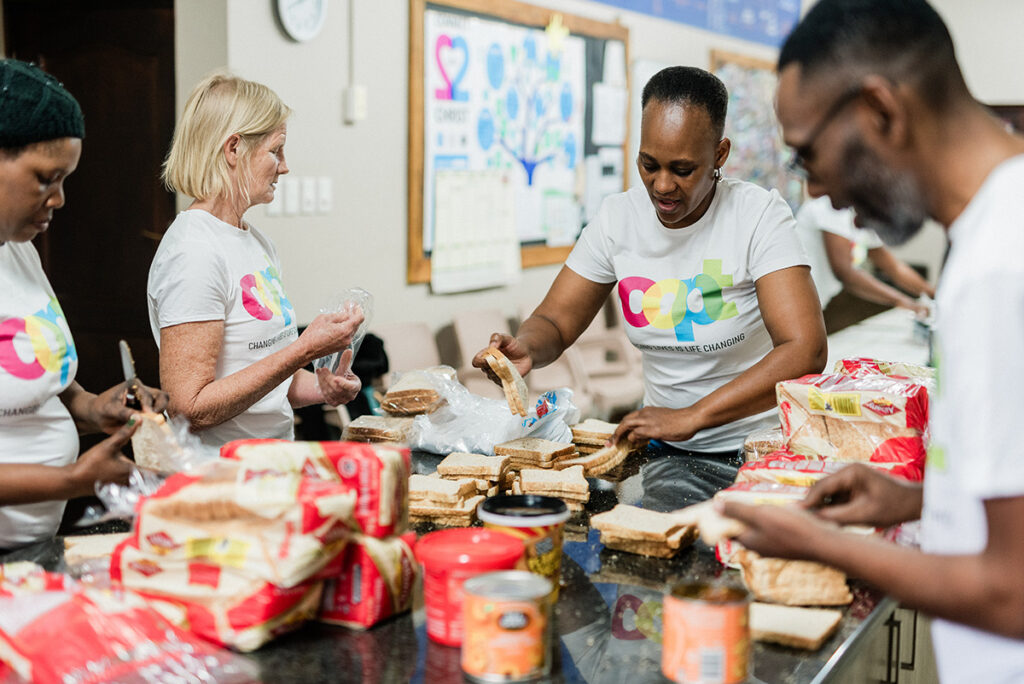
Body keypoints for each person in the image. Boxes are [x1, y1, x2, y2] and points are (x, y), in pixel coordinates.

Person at [719, 1, 1024, 680]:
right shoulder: (996, 229)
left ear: (881, 110)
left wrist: (820, 543)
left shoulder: (1000, 267)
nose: (817, 189)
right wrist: (917, 498)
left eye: (809, 155)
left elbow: (1012, 593)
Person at [473, 66, 826, 465]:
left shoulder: (758, 216)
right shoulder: (617, 219)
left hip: (757, 446)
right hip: (663, 444)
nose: (662, 185)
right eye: (649, 164)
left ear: (720, 154)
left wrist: (693, 416)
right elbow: (555, 321)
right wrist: (527, 347)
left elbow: (806, 349)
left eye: (682, 170)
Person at [0, 59, 168, 548]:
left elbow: (30, 385)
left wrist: (93, 407)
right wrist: (73, 480)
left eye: (65, 180)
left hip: (32, 544)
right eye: (45, 178)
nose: (59, 199)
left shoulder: (18, 251)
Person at [148, 73, 362, 455]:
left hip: (271, 461)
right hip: (219, 472)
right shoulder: (193, 252)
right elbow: (189, 408)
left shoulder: (258, 243)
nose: (285, 166)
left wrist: (322, 388)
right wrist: (304, 349)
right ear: (234, 149)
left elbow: (269, 378)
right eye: (276, 150)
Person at [794, 194, 935, 323]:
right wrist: (902, 301)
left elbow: (894, 268)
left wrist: (934, 293)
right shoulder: (832, 206)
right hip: (795, 302)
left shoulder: (862, 214)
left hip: (816, 302)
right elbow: (845, 272)